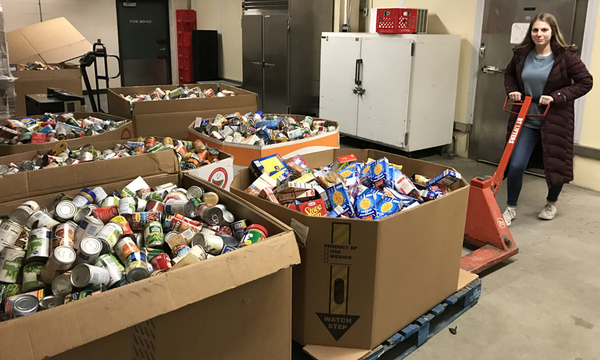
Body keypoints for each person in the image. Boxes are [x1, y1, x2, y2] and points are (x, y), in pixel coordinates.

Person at [502, 13, 592, 226]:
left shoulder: (565, 57)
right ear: (530, 32)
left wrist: (556, 97)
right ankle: (511, 208)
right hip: (526, 119)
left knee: (555, 165)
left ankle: (551, 203)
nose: (539, 34)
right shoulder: (521, 55)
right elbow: (509, 75)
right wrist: (512, 90)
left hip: (555, 120)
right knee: (515, 164)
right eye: (535, 30)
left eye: (544, 30)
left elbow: (585, 82)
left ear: (552, 32)